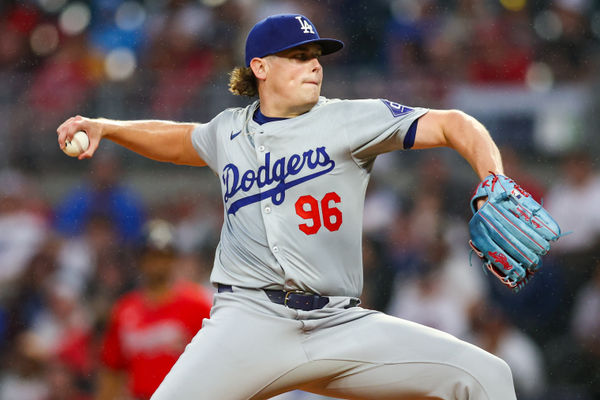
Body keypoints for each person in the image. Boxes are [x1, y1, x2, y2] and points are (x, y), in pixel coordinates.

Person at [58, 14, 517, 400]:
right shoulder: (227, 131)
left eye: (317, 57)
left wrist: (493, 176)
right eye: (299, 57)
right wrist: (108, 126)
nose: (314, 66)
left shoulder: (351, 118)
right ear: (260, 66)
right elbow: (179, 139)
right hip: (249, 321)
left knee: (487, 377)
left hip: (339, 322)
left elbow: (455, 123)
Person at [96, 219, 213, 400]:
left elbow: (214, 360)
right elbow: (112, 372)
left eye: (163, 255)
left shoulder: (198, 303)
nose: (157, 262)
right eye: (151, 255)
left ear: (174, 259)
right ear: (140, 259)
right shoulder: (124, 309)